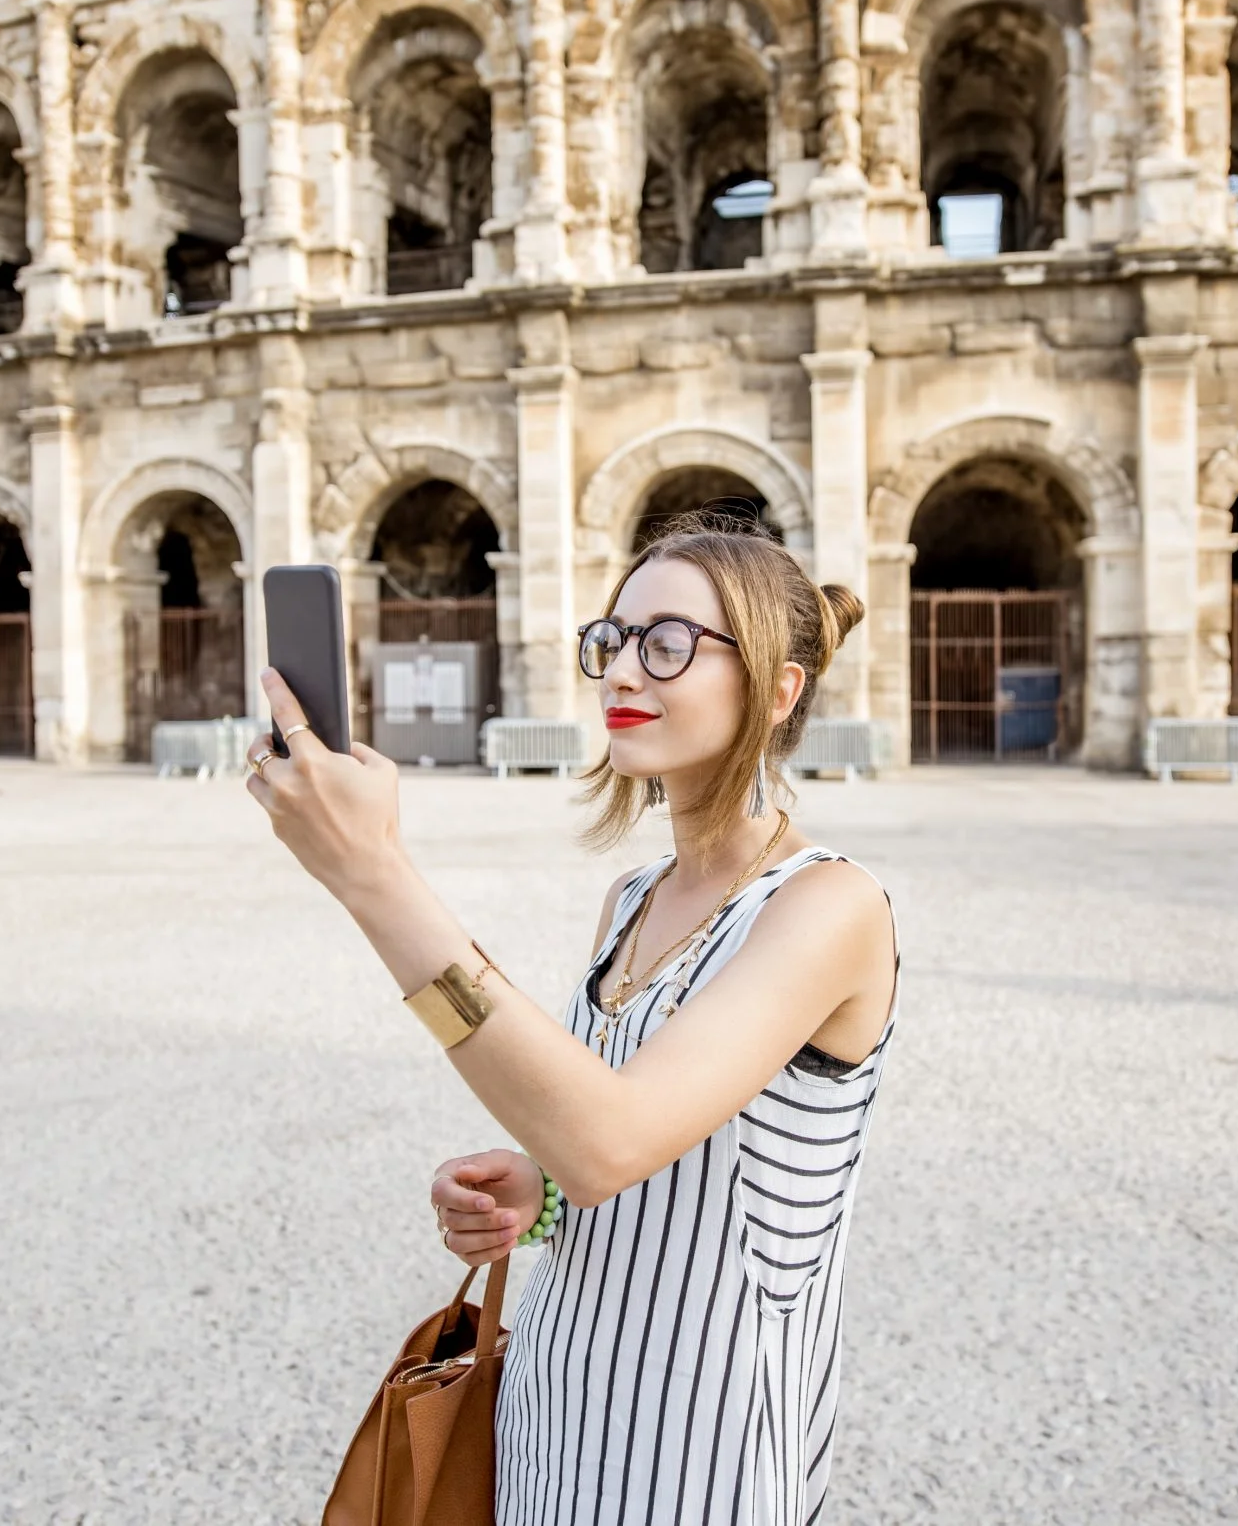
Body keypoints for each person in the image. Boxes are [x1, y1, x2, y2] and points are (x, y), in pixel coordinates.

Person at [244, 519, 899, 1526]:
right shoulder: (632, 898)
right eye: (614, 636)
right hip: (553, 1406)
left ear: (778, 690)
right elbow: (610, 1144)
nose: (624, 668)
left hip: (701, 1448)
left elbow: (611, 1140)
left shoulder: (828, 905)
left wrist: (371, 874)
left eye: (670, 641)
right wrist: (536, 1188)